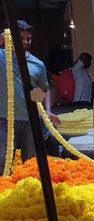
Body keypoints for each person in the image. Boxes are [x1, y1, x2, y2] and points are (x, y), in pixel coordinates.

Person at [0, 20, 60, 171]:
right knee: (2, 161)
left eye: (29, 38)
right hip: (4, 119)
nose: (26, 42)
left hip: (30, 121)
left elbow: (44, 90)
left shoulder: (37, 64)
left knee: (31, 163)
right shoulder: (1, 56)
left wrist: (45, 112)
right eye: (20, 38)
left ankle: (28, 192)